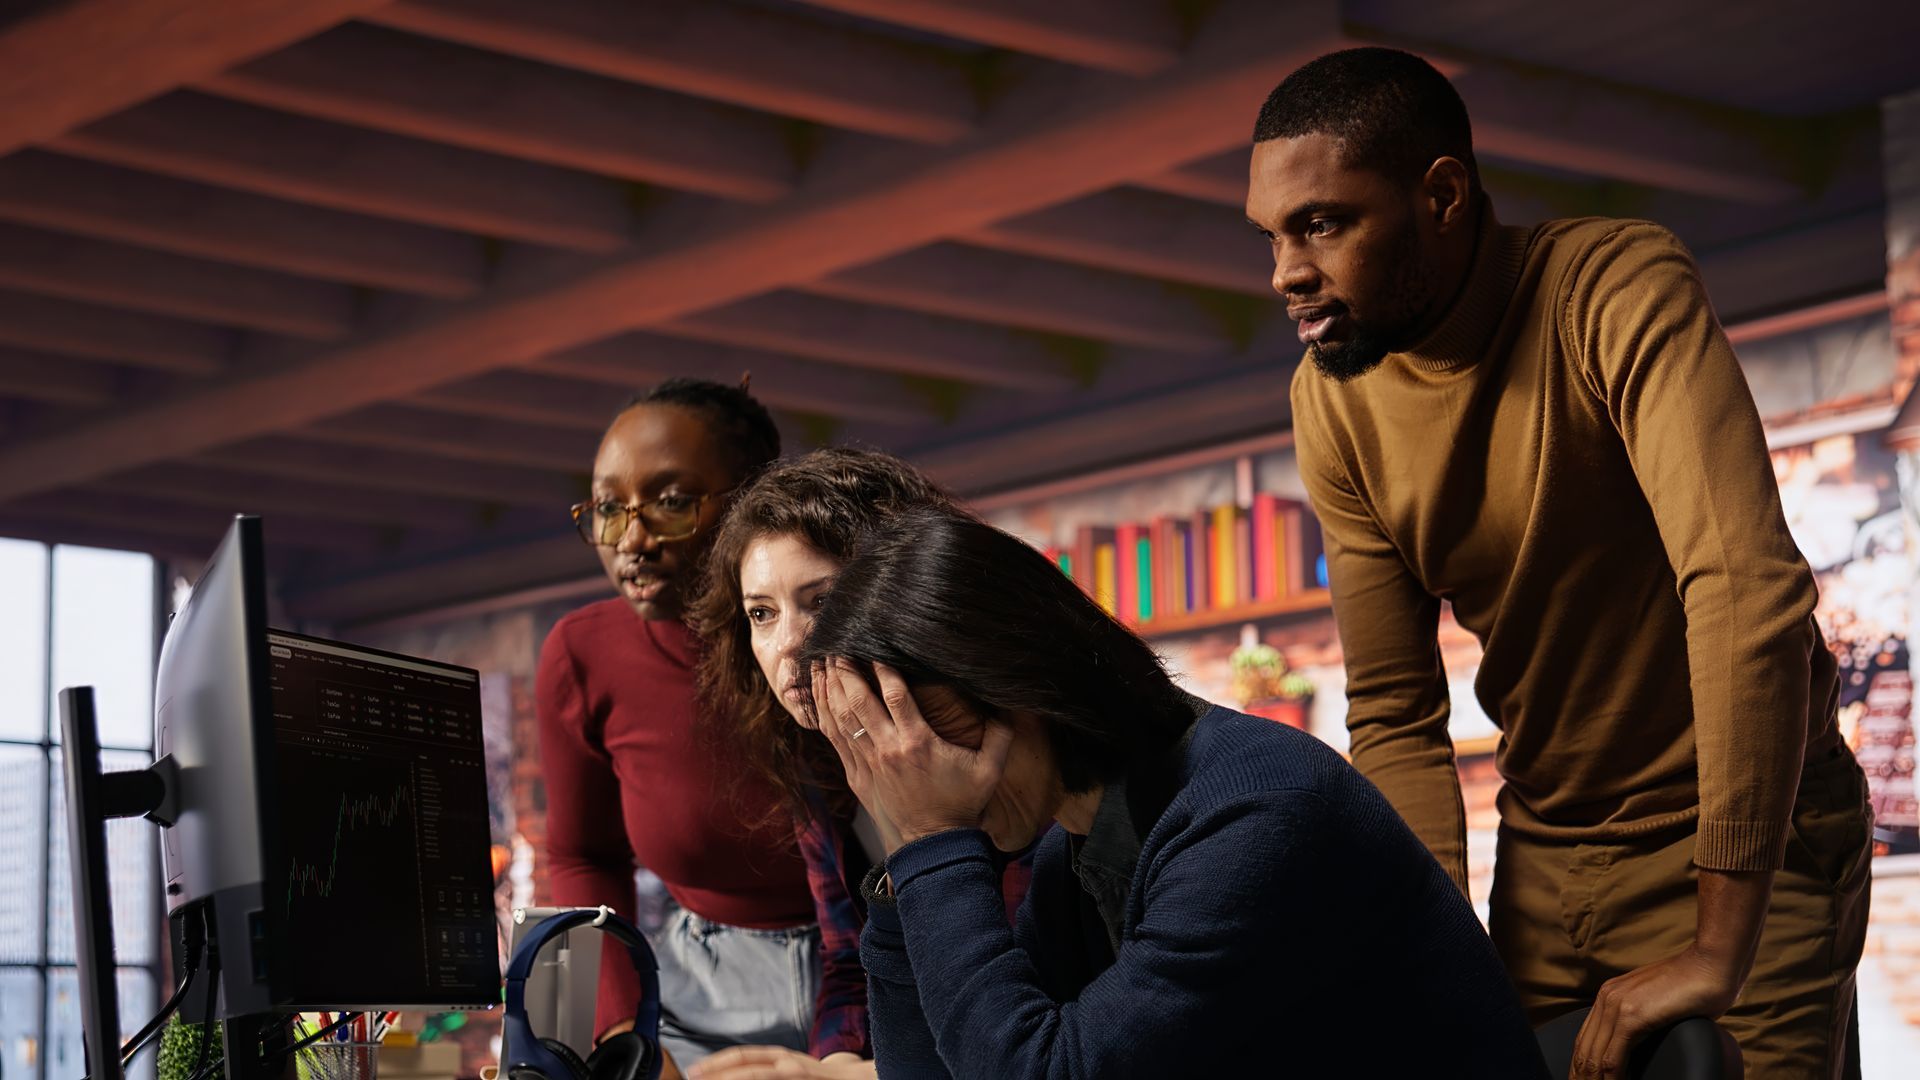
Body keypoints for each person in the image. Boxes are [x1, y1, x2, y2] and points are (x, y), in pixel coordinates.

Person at [1249, 47, 1872, 1077]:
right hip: (1545, 861)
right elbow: (1395, 717)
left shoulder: (1613, 290)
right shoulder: (1331, 400)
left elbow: (1744, 592)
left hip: (1744, 841)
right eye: (1272, 235)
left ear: (1441, 195)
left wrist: (1720, 943)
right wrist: (1425, 956)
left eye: (1323, 222)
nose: (1286, 272)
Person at [783, 507, 1548, 1078]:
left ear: (1019, 683)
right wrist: (900, 879)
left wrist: (930, 846)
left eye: (924, 736)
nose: (908, 772)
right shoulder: (1072, 855)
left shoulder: (1256, 817)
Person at [683, 449, 1034, 1080]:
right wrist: (832, 1065)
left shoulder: (998, 748)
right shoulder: (817, 764)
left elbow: (1034, 983)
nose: (787, 642)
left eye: (819, 600)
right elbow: (850, 961)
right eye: (761, 613)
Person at [538, 378, 822, 1075]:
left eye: (671, 502)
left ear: (752, 500)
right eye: (608, 508)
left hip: (878, 964)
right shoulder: (584, 654)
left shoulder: (832, 633)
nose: (631, 540)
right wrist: (614, 1031)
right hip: (695, 997)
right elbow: (584, 858)